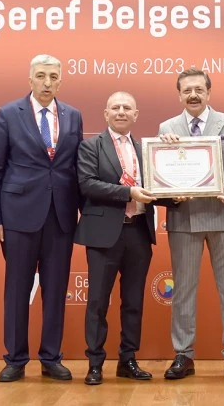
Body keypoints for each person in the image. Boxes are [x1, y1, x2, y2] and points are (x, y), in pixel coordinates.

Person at [0, 54, 83, 382]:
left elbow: (77, 169)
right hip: (18, 216)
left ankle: (51, 357)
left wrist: (88, 215)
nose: (47, 82)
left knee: (56, 291)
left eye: (53, 76)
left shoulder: (73, 115)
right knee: (17, 289)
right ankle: (15, 358)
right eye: (41, 76)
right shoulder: (9, 113)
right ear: (30, 79)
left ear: (60, 81)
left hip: (60, 216)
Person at [158, 68, 224, 381]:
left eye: (199, 89)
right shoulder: (167, 128)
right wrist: (167, 172)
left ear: (209, 93)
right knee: (183, 292)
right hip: (184, 220)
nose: (193, 95)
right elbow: (161, 174)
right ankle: (183, 355)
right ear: (179, 95)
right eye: (187, 90)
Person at [75, 91, 176, 385]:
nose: (121, 111)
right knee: (97, 301)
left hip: (138, 233)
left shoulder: (147, 150)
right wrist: (128, 192)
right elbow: (88, 184)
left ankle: (128, 360)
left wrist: (176, 196)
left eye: (127, 108)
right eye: (116, 107)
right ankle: (95, 363)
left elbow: (156, 189)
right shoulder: (90, 146)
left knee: (133, 301)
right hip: (103, 235)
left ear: (136, 115)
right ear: (106, 114)